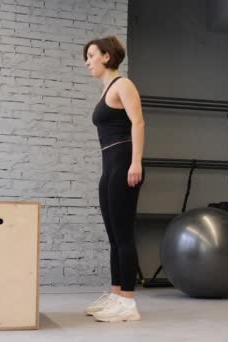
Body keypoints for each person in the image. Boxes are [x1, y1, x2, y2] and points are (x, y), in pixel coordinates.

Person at [82, 36, 145, 323]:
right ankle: (116, 294)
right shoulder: (105, 89)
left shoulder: (123, 84)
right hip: (110, 165)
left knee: (123, 235)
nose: (87, 61)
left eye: (91, 55)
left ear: (107, 56)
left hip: (124, 162)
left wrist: (135, 163)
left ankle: (128, 304)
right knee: (113, 237)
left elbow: (138, 123)